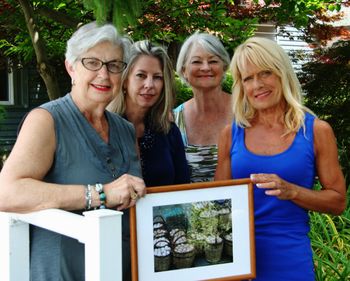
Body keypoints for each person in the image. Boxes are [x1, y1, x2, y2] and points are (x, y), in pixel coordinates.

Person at [0, 22, 146, 281]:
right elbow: (7, 192)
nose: (104, 74)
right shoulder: (47, 120)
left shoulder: (125, 129)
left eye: (114, 65)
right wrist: (101, 194)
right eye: (92, 62)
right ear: (71, 68)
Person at [215, 37, 346, 281]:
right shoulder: (229, 134)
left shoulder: (316, 131)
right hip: (237, 260)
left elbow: (337, 202)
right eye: (248, 78)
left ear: (282, 73)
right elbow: (218, 203)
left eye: (265, 73)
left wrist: (292, 191)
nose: (257, 85)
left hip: (291, 259)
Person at [108, 40, 190, 187]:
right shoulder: (104, 127)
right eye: (141, 75)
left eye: (157, 77)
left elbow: (183, 188)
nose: (149, 85)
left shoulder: (168, 131)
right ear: (125, 80)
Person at [174, 32, 232, 182]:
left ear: (224, 67)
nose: (206, 68)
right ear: (184, 70)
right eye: (196, 62)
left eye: (213, 61)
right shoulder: (172, 120)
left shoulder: (246, 112)